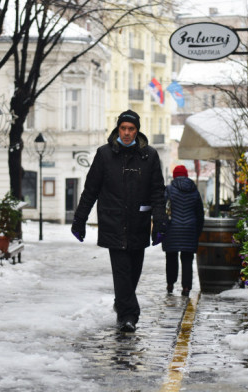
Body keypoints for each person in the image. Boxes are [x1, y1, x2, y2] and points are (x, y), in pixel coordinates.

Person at [70, 109, 167, 333]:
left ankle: (122, 305)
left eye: (131, 129)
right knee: (121, 270)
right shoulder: (104, 154)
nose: (126, 133)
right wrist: (80, 219)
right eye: (123, 128)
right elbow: (90, 190)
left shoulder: (149, 156)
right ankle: (129, 316)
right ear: (117, 129)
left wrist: (160, 222)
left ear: (137, 130)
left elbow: (157, 193)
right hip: (112, 222)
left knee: (133, 273)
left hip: (139, 223)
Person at [162, 165, 204, 297]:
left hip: (172, 229)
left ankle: (170, 284)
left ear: (174, 176)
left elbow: (164, 209)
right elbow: (200, 214)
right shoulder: (194, 190)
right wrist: (197, 231)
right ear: (186, 175)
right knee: (187, 259)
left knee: (171, 257)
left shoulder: (169, 190)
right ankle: (186, 287)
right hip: (189, 229)